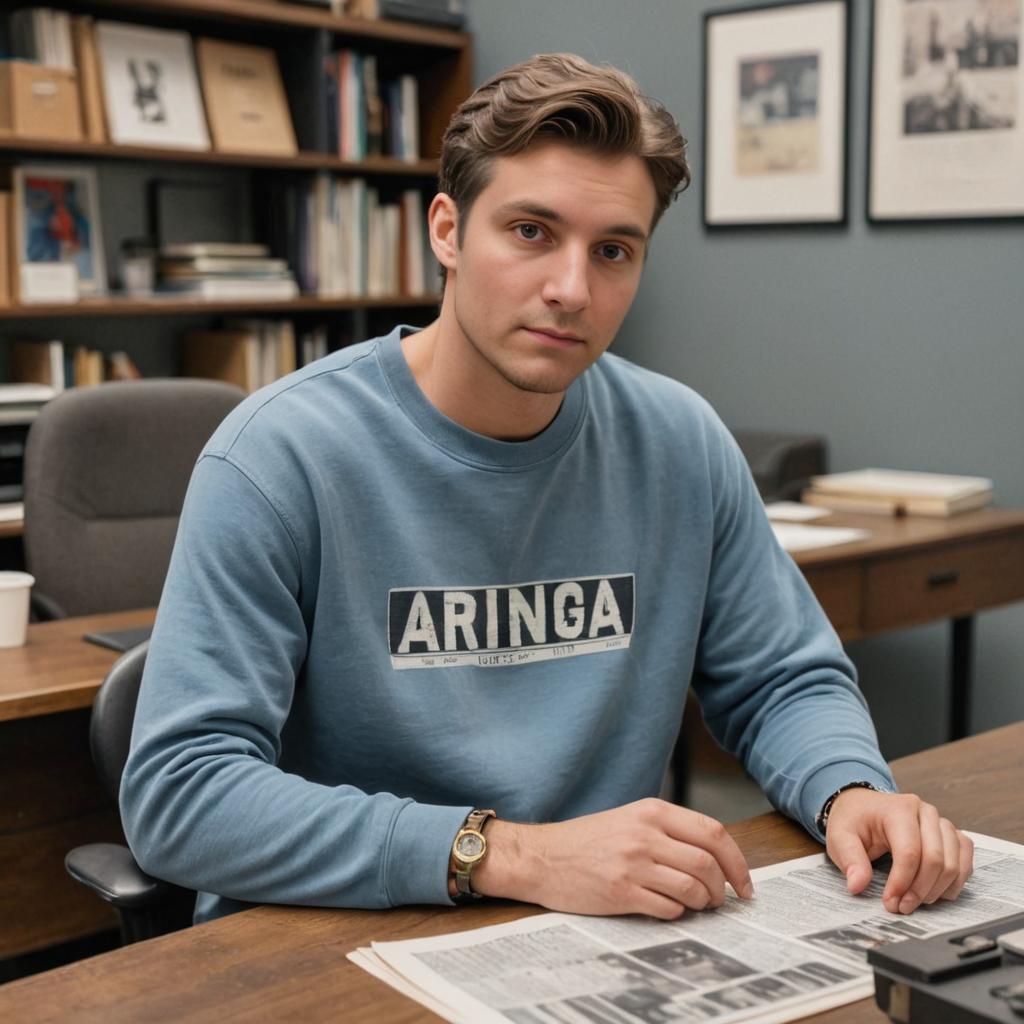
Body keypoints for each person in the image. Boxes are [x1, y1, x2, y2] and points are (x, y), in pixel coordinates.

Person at [121, 53, 973, 925]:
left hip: (587, 936)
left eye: (613, 251)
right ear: (447, 231)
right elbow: (181, 795)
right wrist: (511, 853)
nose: (572, 289)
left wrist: (849, 788)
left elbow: (783, 681)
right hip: (330, 940)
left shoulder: (680, 441)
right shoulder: (278, 456)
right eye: (531, 232)